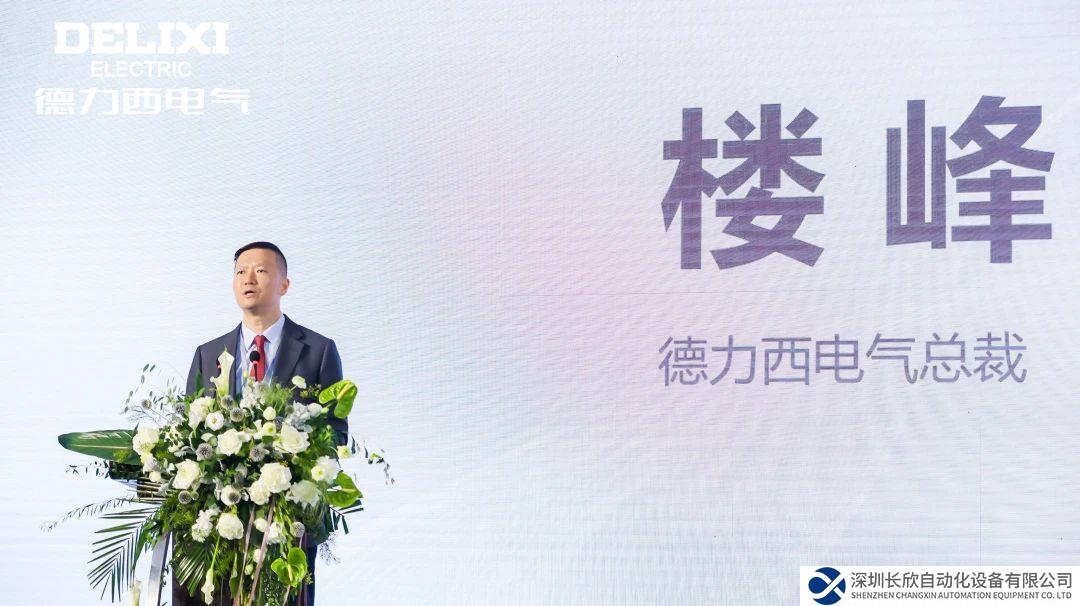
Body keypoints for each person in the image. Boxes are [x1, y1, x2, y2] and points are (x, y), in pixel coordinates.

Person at [171, 241, 347, 606]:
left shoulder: (318, 351)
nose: (248, 279)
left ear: (284, 284)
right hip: (216, 525)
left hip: (285, 524)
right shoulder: (207, 354)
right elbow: (189, 434)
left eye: (261, 271)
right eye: (240, 271)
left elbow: (335, 434)